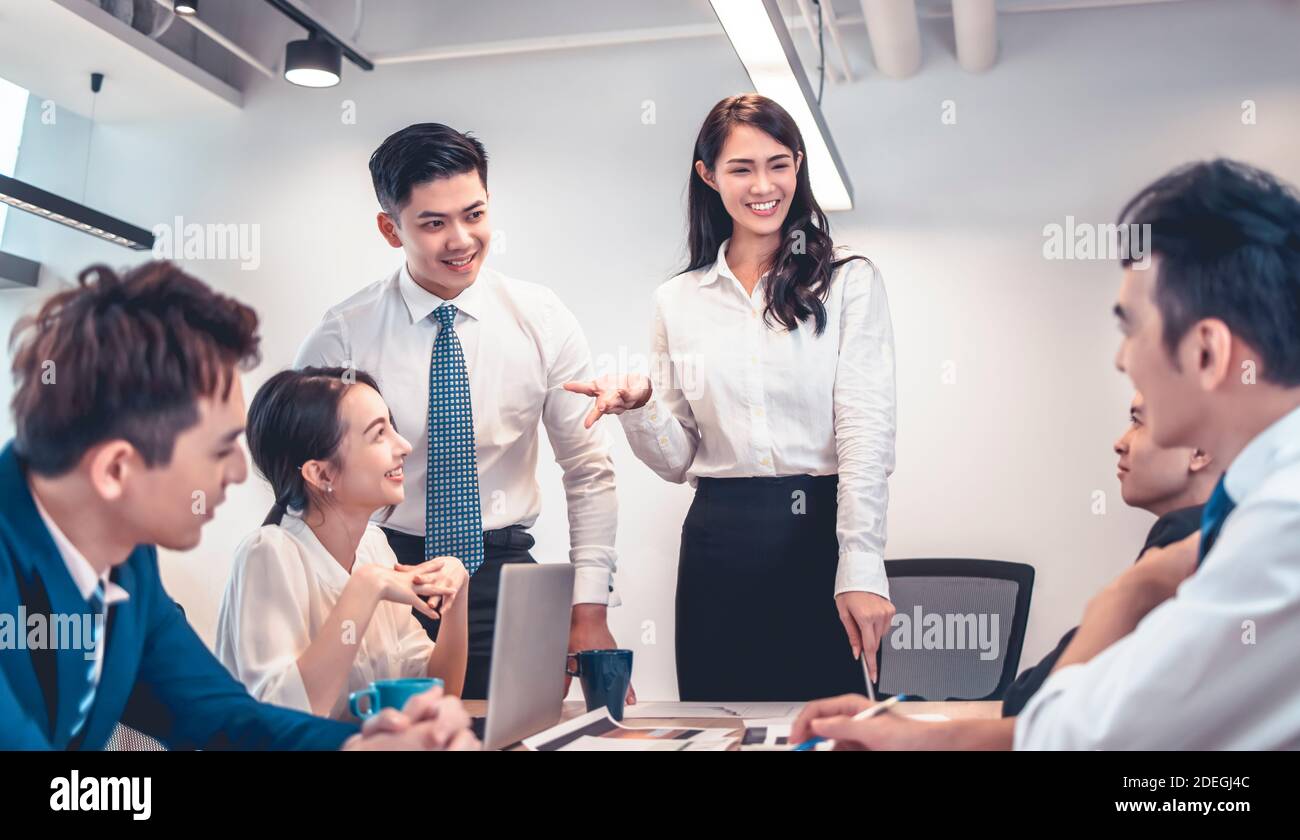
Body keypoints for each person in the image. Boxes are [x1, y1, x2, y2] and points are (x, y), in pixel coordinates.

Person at [795, 159, 1300, 750]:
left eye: (1131, 328)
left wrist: (1133, 590)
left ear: (1208, 352)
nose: (1122, 360)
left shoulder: (1278, 530)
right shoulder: (1260, 506)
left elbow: (1086, 739)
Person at [0, 261, 476, 750]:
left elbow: (224, 717)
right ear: (116, 470)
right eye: (219, 449)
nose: (234, 473)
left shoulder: (126, 558)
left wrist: (360, 746)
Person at [566, 94, 896, 700]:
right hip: (719, 540)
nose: (763, 185)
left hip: (819, 531)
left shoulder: (849, 281)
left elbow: (865, 436)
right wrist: (641, 408)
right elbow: (678, 460)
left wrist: (862, 563)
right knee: (723, 724)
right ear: (708, 174)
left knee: (825, 726)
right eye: (741, 168)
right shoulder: (679, 300)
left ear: (798, 165)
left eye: (779, 164)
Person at [295, 122, 630, 702]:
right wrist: (330, 582)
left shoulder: (541, 318)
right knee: (391, 739)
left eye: (473, 215)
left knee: (514, 736)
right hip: (385, 571)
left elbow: (587, 469)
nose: (460, 240)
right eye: (433, 223)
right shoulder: (343, 337)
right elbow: (294, 474)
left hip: (504, 571)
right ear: (389, 229)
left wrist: (589, 607)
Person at [788, 391, 1218, 748]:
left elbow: (1043, 707)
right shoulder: (1205, 536)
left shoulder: (1185, 541)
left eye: (1138, 421)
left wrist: (1130, 593)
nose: (1121, 442)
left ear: (1199, 452)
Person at [216, 367, 469, 719]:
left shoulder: (374, 546)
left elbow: (437, 693)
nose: (405, 446)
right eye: (379, 434)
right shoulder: (268, 554)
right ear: (321, 474)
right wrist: (366, 589)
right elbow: (278, 720)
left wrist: (457, 595)